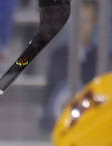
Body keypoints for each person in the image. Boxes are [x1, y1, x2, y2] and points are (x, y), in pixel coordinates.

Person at [41, 0, 98, 131]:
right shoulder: (58, 55)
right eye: (78, 20)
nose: (82, 26)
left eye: (87, 21)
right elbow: (50, 93)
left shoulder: (100, 57)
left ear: (94, 23)